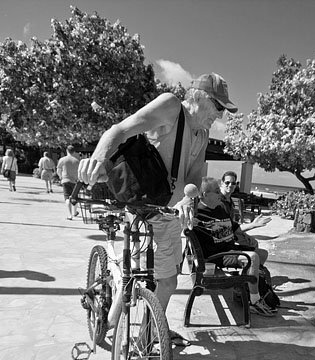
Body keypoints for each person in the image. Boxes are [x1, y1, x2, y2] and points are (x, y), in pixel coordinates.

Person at [77, 72, 238, 343]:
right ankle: (147, 338)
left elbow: (193, 177)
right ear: (200, 98)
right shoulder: (171, 106)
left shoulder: (202, 133)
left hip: (170, 215)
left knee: (164, 278)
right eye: (218, 107)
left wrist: (188, 198)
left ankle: (148, 331)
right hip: (146, 208)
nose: (220, 115)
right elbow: (120, 130)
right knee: (164, 280)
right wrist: (97, 159)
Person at [193, 178, 275, 316]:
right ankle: (254, 301)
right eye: (217, 191)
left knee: (263, 254)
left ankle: (244, 287)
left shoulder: (220, 209)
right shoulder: (198, 214)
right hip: (217, 256)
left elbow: (236, 229)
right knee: (253, 258)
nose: (220, 194)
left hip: (229, 250)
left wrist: (254, 225)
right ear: (205, 194)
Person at [218, 170, 271, 265]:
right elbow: (228, 227)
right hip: (226, 237)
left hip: (231, 232)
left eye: (233, 183)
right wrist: (253, 225)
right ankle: (250, 268)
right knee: (253, 246)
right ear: (221, 183)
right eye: (227, 182)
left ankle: (251, 269)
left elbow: (233, 224)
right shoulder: (219, 202)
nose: (230, 185)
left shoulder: (229, 200)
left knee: (253, 243)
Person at [57, 145, 81, 219]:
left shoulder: (62, 159)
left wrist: (61, 177)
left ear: (67, 151)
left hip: (65, 180)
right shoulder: (77, 161)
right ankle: (75, 212)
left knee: (67, 198)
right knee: (75, 197)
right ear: (74, 152)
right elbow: (79, 172)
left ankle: (70, 215)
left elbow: (58, 170)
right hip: (74, 181)